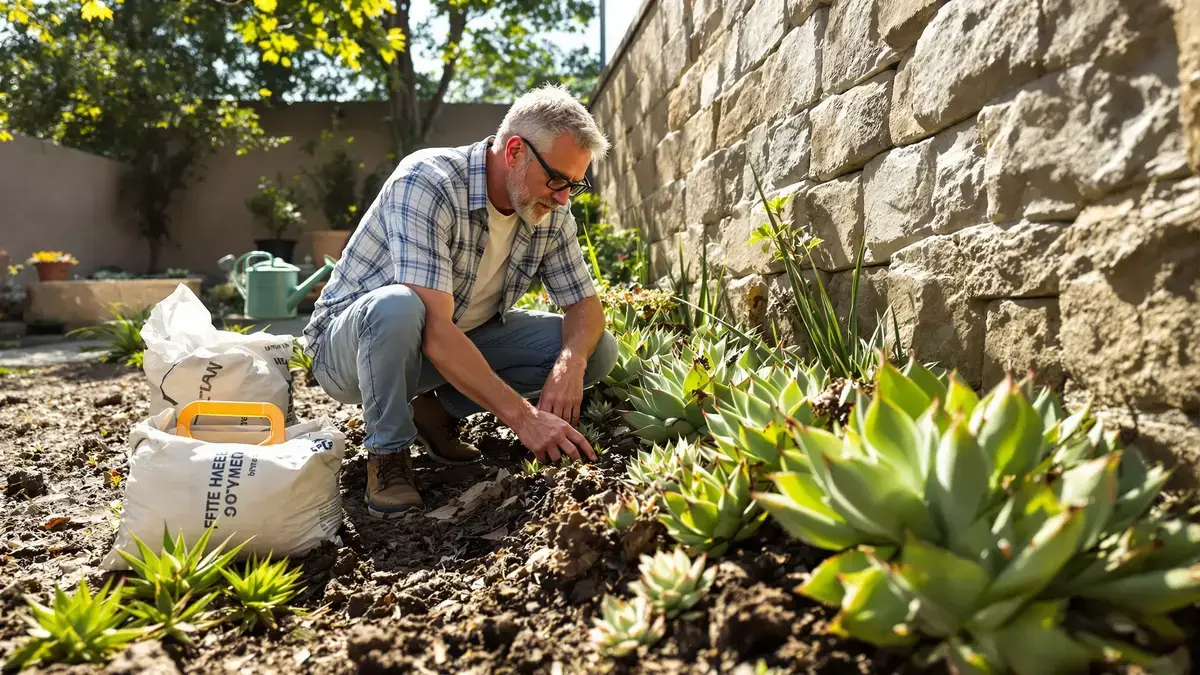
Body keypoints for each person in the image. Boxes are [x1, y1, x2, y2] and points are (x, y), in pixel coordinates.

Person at [302, 84, 618, 519]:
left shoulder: (550, 211)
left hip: (445, 342)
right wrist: (524, 420)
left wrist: (571, 363)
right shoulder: (427, 181)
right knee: (398, 305)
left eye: (574, 185)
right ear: (514, 152)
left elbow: (584, 306)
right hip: (351, 354)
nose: (564, 197)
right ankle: (388, 454)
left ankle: (433, 413)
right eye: (558, 180)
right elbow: (433, 327)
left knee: (596, 349)